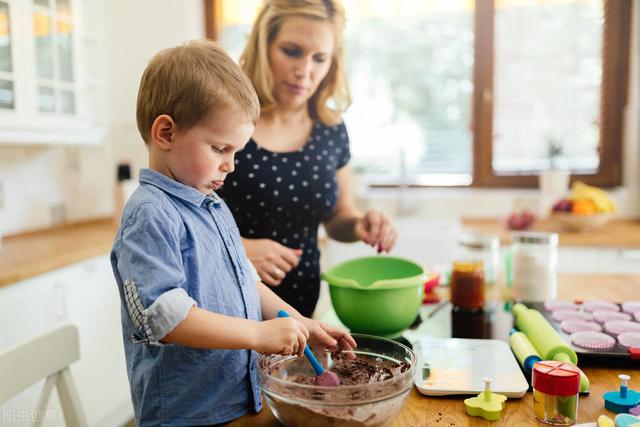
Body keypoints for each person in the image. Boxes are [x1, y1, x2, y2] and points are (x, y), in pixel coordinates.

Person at [110, 40, 355, 426]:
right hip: (186, 414)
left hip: (234, 405)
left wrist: (302, 323)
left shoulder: (212, 205)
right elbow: (165, 319)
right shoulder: (150, 214)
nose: (231, 165)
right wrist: (258, 335)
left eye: (236, 152)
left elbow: (247, 283)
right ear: (166, 133)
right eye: (220, 148)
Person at [218, 0, 398, 318]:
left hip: (301, 317)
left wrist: (360, 225)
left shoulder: (331, 129)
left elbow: (339, 218)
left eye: (319, 58)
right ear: (264, 45)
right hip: (226, 309)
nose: (305, 70)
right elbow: (181, 219)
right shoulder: (225, 116)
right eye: (291, 51)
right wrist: (238, 249)